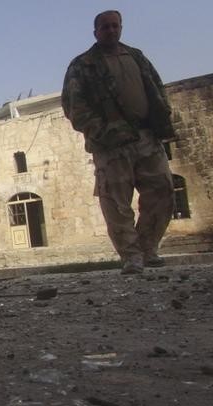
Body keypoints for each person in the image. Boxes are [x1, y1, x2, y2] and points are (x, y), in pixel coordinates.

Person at [62, 10, 176, 274]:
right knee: (115, 202)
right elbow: (74, 106)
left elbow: (157, 88)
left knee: (162, 189)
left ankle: (148, 248)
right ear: (96, 32)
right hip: (111, 144)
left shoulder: (136, 56)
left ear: (121, 27)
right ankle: (131, 256)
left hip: (146, 136)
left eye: (115, 26)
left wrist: (161, 118)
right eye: (105, 27)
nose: (111, 31)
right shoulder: (83, 65)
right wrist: (101, 131)